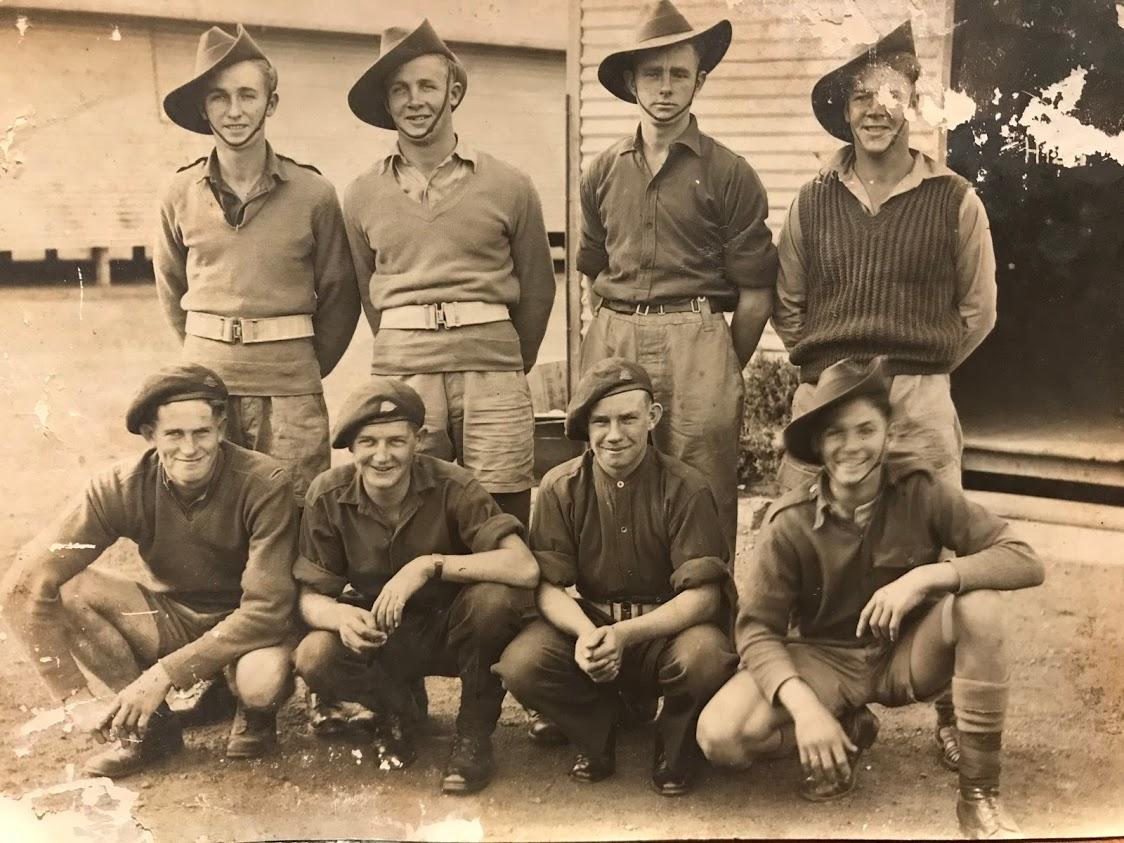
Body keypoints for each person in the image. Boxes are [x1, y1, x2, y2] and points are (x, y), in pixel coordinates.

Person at [771, 20, 999, 769]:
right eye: (860, 94)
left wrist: (920, 369)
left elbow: (978, 310)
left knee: (938, 540)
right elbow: (789, 304)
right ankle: (824, 706)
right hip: (832, 394)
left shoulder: (954, 197)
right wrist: (829, 377)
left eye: (892, 94)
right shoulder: (811, 199)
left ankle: (948, 710)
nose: (875, 108)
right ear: (843, 108)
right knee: (804, 528)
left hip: (918, 395)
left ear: (915, 105)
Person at [695, 357, 1044, 839]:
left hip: (904, 653)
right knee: (720, 738)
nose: (852, 446)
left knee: (979, 605)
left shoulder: (921, 491)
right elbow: (757, 631)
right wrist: (807, 710)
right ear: (818, 444)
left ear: (888, 433)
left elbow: (1022, 558)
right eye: (836, 433)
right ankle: (846, 727)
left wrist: (924, 579)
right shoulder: (789, 521)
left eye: (866, 429)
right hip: (823, 659)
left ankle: (980, 799)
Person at [0, 365, 298, 777]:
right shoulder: (120, 485)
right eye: (174, 435)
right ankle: (152, 731)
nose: (190, 448)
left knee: (259, 681)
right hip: (178, 615)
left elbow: (268, 610)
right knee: (70, 590)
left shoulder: (265, 481)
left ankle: (250, 711)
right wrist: (74, 698)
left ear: (221, 428)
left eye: (202, 432)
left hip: (252, 629)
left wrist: (162, 676)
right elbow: (26, 580)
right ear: (149, 435)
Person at [578, 0, 778, 552]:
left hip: (699, 338)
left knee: (703, 485)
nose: (665, 87)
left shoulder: (729, 172)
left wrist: (719, 360)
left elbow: (758, 293)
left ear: (699, 81)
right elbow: (591, 270)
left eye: (678, 74)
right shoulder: (601, 170)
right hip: (616, 335)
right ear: (630, 81)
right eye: (652, 74)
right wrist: (604, 336)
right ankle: (616, 625)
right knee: (614, 479)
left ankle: (705, 627)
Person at [342, 19, 555, 530]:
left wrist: (502, 358)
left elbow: (538, 287)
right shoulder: (361, 193)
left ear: (453, 92)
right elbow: (367, 293)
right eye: (399, 90)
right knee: (411, 505)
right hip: (405, 368)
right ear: (386, 103)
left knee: (501, 511)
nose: (414, 101)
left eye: (427, 86)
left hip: (493, 369)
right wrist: (407, 345)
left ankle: (501, 609)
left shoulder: (509, 184)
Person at [495, 358, 738, 796]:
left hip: (665, 630)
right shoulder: (559, 486)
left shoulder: (687, 486)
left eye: (628, 418)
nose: (614, 434)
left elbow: (704, 597)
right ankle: (596, 731)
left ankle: (674, 742)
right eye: (600, 421)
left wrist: (626, 634)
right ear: (586, 428)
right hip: (594, 624)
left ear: (653, 418)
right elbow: (547, 585)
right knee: (522, 663)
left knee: (706, 655)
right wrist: (587, 634)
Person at [292, 378, 539, 794]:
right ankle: (397, 712)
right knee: (316, 654)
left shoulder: (453, 485)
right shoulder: (328, 495)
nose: (382, 456)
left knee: (493, 600)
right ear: (351, 448)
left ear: (418, 440)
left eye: (396, 441)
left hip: (454, 627)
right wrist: (339, 617)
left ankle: (473, 736)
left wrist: (428, 566)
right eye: (368, 442)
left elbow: (523, 567)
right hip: (384, 629)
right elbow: (310, 594)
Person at [155, 23, 359, 506]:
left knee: (297, 511)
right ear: (204, 109)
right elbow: (171, 289)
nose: (235, 110)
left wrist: (299, 365)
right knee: (210, 510)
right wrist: (208, 359)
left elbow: (340, 294)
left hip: (291, 388)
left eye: (248, 95)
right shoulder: (179, 193)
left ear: (271, 103)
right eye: (219, 97)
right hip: (209, 383)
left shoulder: (314, 194)